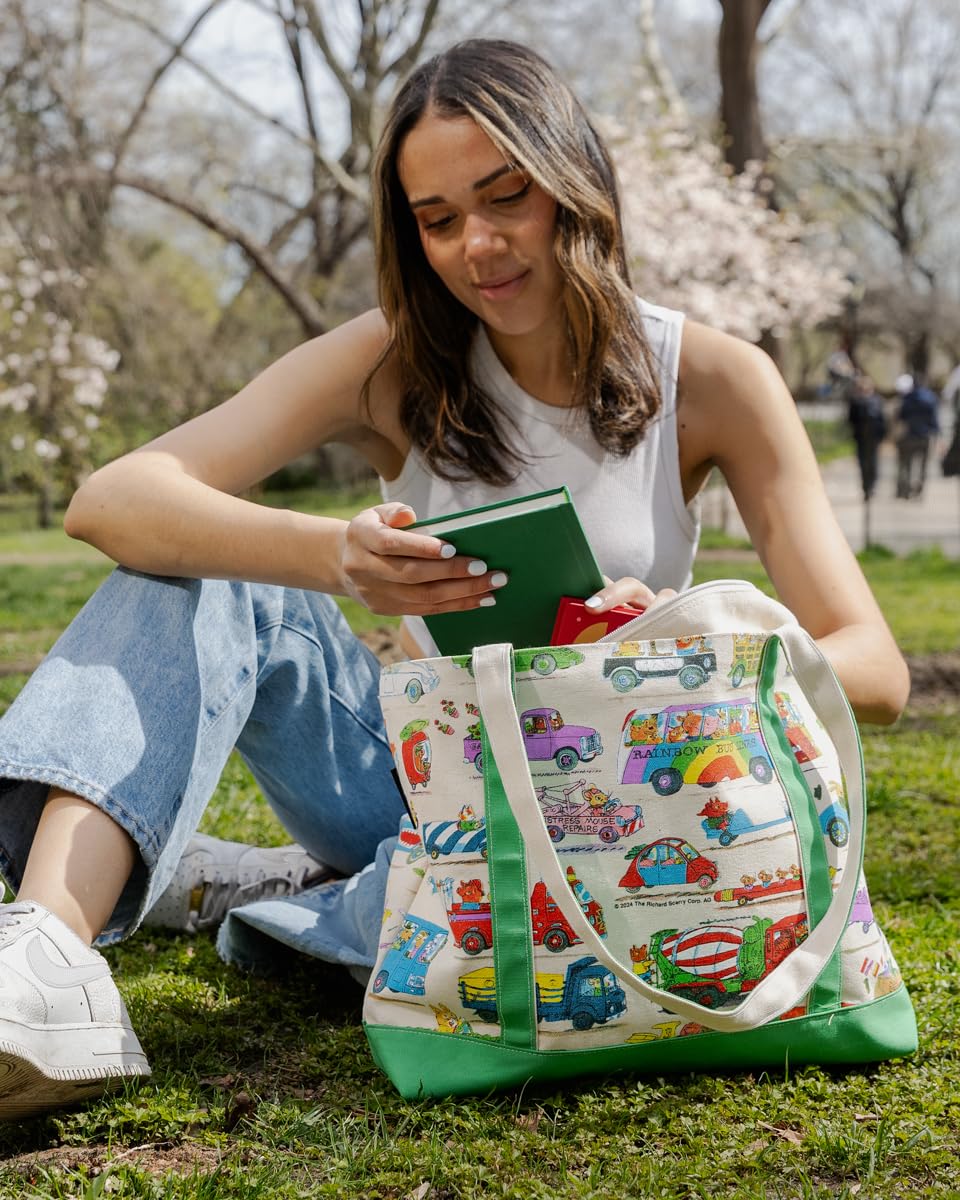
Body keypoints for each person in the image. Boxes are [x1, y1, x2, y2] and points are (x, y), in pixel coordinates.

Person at [0, 38, 910, 1120]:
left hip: (611, 809)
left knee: (411, 903)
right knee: (195, 568)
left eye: (505, 196)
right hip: (421, 778)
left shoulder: (715, 381)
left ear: (575, 183)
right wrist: (333, 557)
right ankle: (46, 967)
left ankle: (282, 894)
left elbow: (875, 669)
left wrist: (669, 645)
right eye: (436, 219)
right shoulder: (396, 358)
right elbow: (112, 500)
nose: (477, 245)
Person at [894, 372, 941, 498]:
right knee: (923, 466)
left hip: (909, 435)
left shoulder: (907, 399)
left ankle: (906, 489)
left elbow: (901, 417)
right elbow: (934, 419)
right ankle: (919, 487)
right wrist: (937, 436)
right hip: (925, 436)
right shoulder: (931, 398)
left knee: (907, 464)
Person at [846, 373, 887, 500]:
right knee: (863, 463)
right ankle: (866, 487)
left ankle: (872, 485)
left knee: (873, 462)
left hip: (874, 437)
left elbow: (882, 419)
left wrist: (882, 435)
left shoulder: (877, 401)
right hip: (861, 437)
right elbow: (851, 419)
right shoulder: (856, 401)